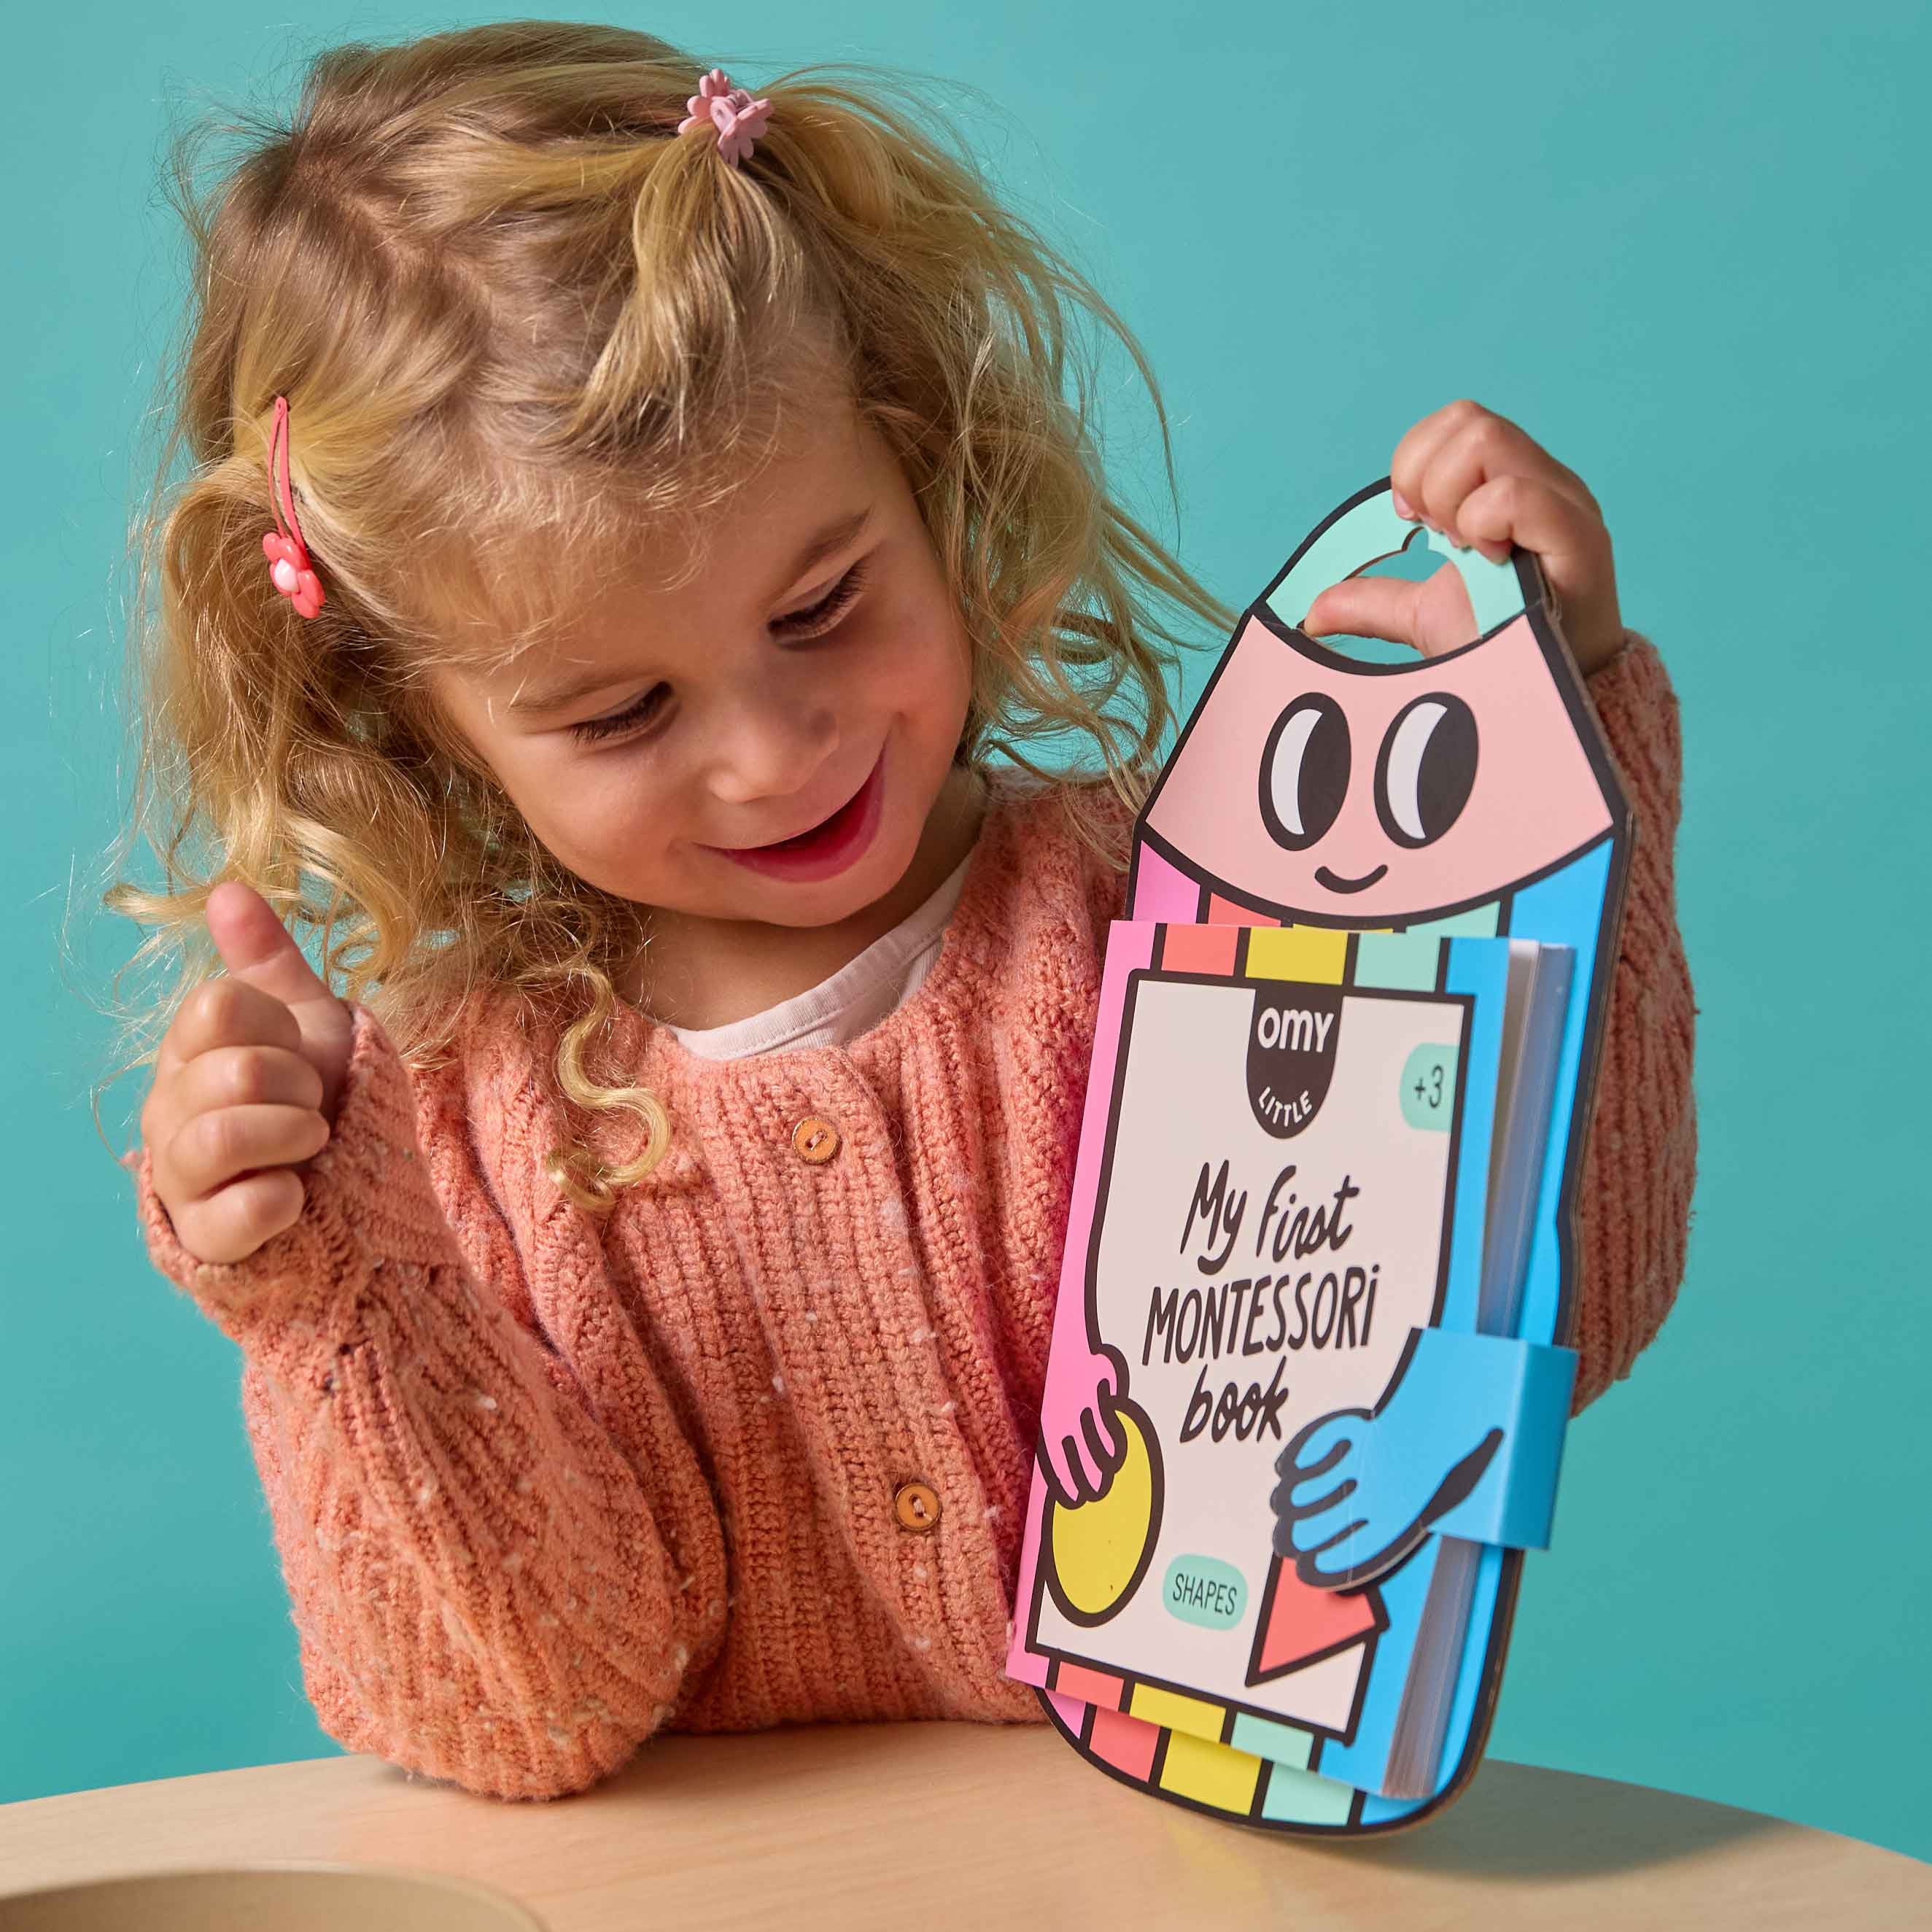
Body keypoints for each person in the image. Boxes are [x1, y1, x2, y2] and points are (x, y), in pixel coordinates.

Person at [109, 20, 1696, 1803]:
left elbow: (1577, 1291)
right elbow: (534, 1704)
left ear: (920, 462)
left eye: (822, 602)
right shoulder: (462, 1126)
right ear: (424, 724)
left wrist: (1556, 758)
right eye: (622, 713)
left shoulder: (1170, 921)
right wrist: (336, 1294)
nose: (774, 752)